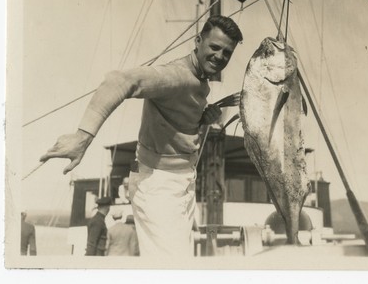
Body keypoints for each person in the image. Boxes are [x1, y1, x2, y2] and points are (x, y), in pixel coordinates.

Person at [41, 15, 243, 258]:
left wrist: (201, 120)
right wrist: (82, 137)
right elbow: (119, 80)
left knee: (179, 263)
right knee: (172, 269)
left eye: (227, 53)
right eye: (215, 47)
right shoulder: (177, 76)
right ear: (198, 41)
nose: (220, 57)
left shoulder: (198, 80)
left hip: (180, 182)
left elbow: (171, 121)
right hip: (159, 187)